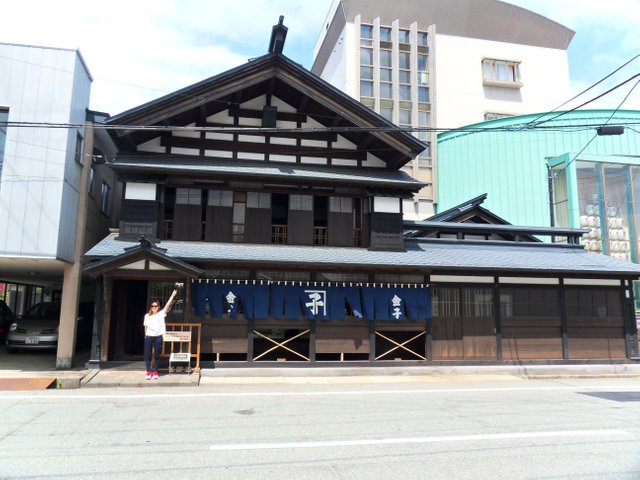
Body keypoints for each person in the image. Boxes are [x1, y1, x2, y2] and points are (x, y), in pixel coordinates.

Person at [144, 289, 178, 380]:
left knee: (157, 354)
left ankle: (155, 371)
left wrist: (172, 295)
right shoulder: (147, 316)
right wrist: (145, 335)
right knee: (148, 354)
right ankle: (148, 371)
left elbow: (167, 305)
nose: (154, 307)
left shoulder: (161, 314)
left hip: (158, 336)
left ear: (158, 307)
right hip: (149, 336)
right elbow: (145, 326)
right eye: (152, 306)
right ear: (150, 307)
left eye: (156, 306)